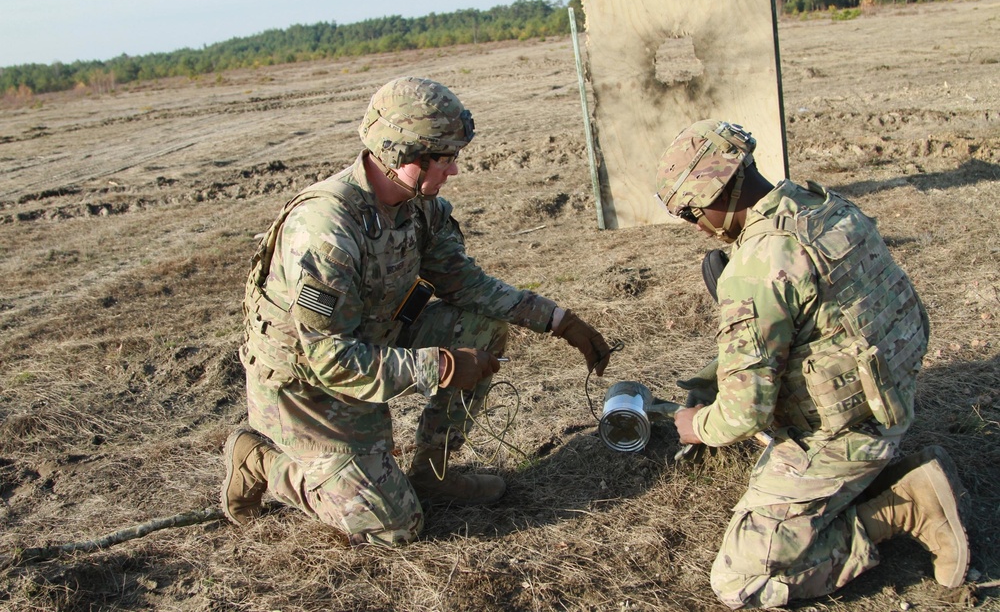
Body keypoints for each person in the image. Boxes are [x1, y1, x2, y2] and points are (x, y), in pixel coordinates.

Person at [221, 76, 611, 547]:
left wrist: (557, 320)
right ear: (403, 155)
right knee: (393, 525)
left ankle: (434, 472)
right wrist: (442, 366)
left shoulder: (419, 207)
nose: (454, 171)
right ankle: (261, 460)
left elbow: (463, 283)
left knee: (481, 328)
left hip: (370, 343)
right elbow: (330, 362)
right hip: (305, 385)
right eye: (445, 159)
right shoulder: (326, 232)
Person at [655, 119, 969, 608]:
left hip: (843, 436)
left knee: (739, 582)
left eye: (693, 212)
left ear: (720, 192)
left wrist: (697, 424)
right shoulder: (824, 205)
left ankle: (903, 508)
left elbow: (744, 415)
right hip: (889, 395)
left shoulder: (758, 267)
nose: (696, 226)